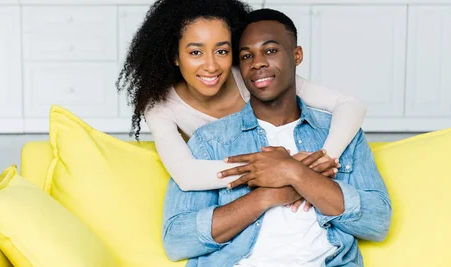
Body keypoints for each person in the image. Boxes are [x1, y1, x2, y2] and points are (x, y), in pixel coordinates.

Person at [161, 8, 392, 267]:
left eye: (270, 50)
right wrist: (268, 194)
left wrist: (296, 173)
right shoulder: (209, 141)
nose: (258, 62)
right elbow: (177, 240)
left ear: (297, 55)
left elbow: (377, 222)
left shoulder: (339, 133)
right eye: (247, 55)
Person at [116, 0, 366, 212]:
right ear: (175, 56)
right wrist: (286, 169)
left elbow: (349, 104)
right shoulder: (160, 106)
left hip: (299, 185)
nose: (211, 66)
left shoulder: (250, 74)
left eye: (222, 51)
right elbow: (186, 174)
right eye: (195, 53)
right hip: (237, 197)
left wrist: (324, 157)